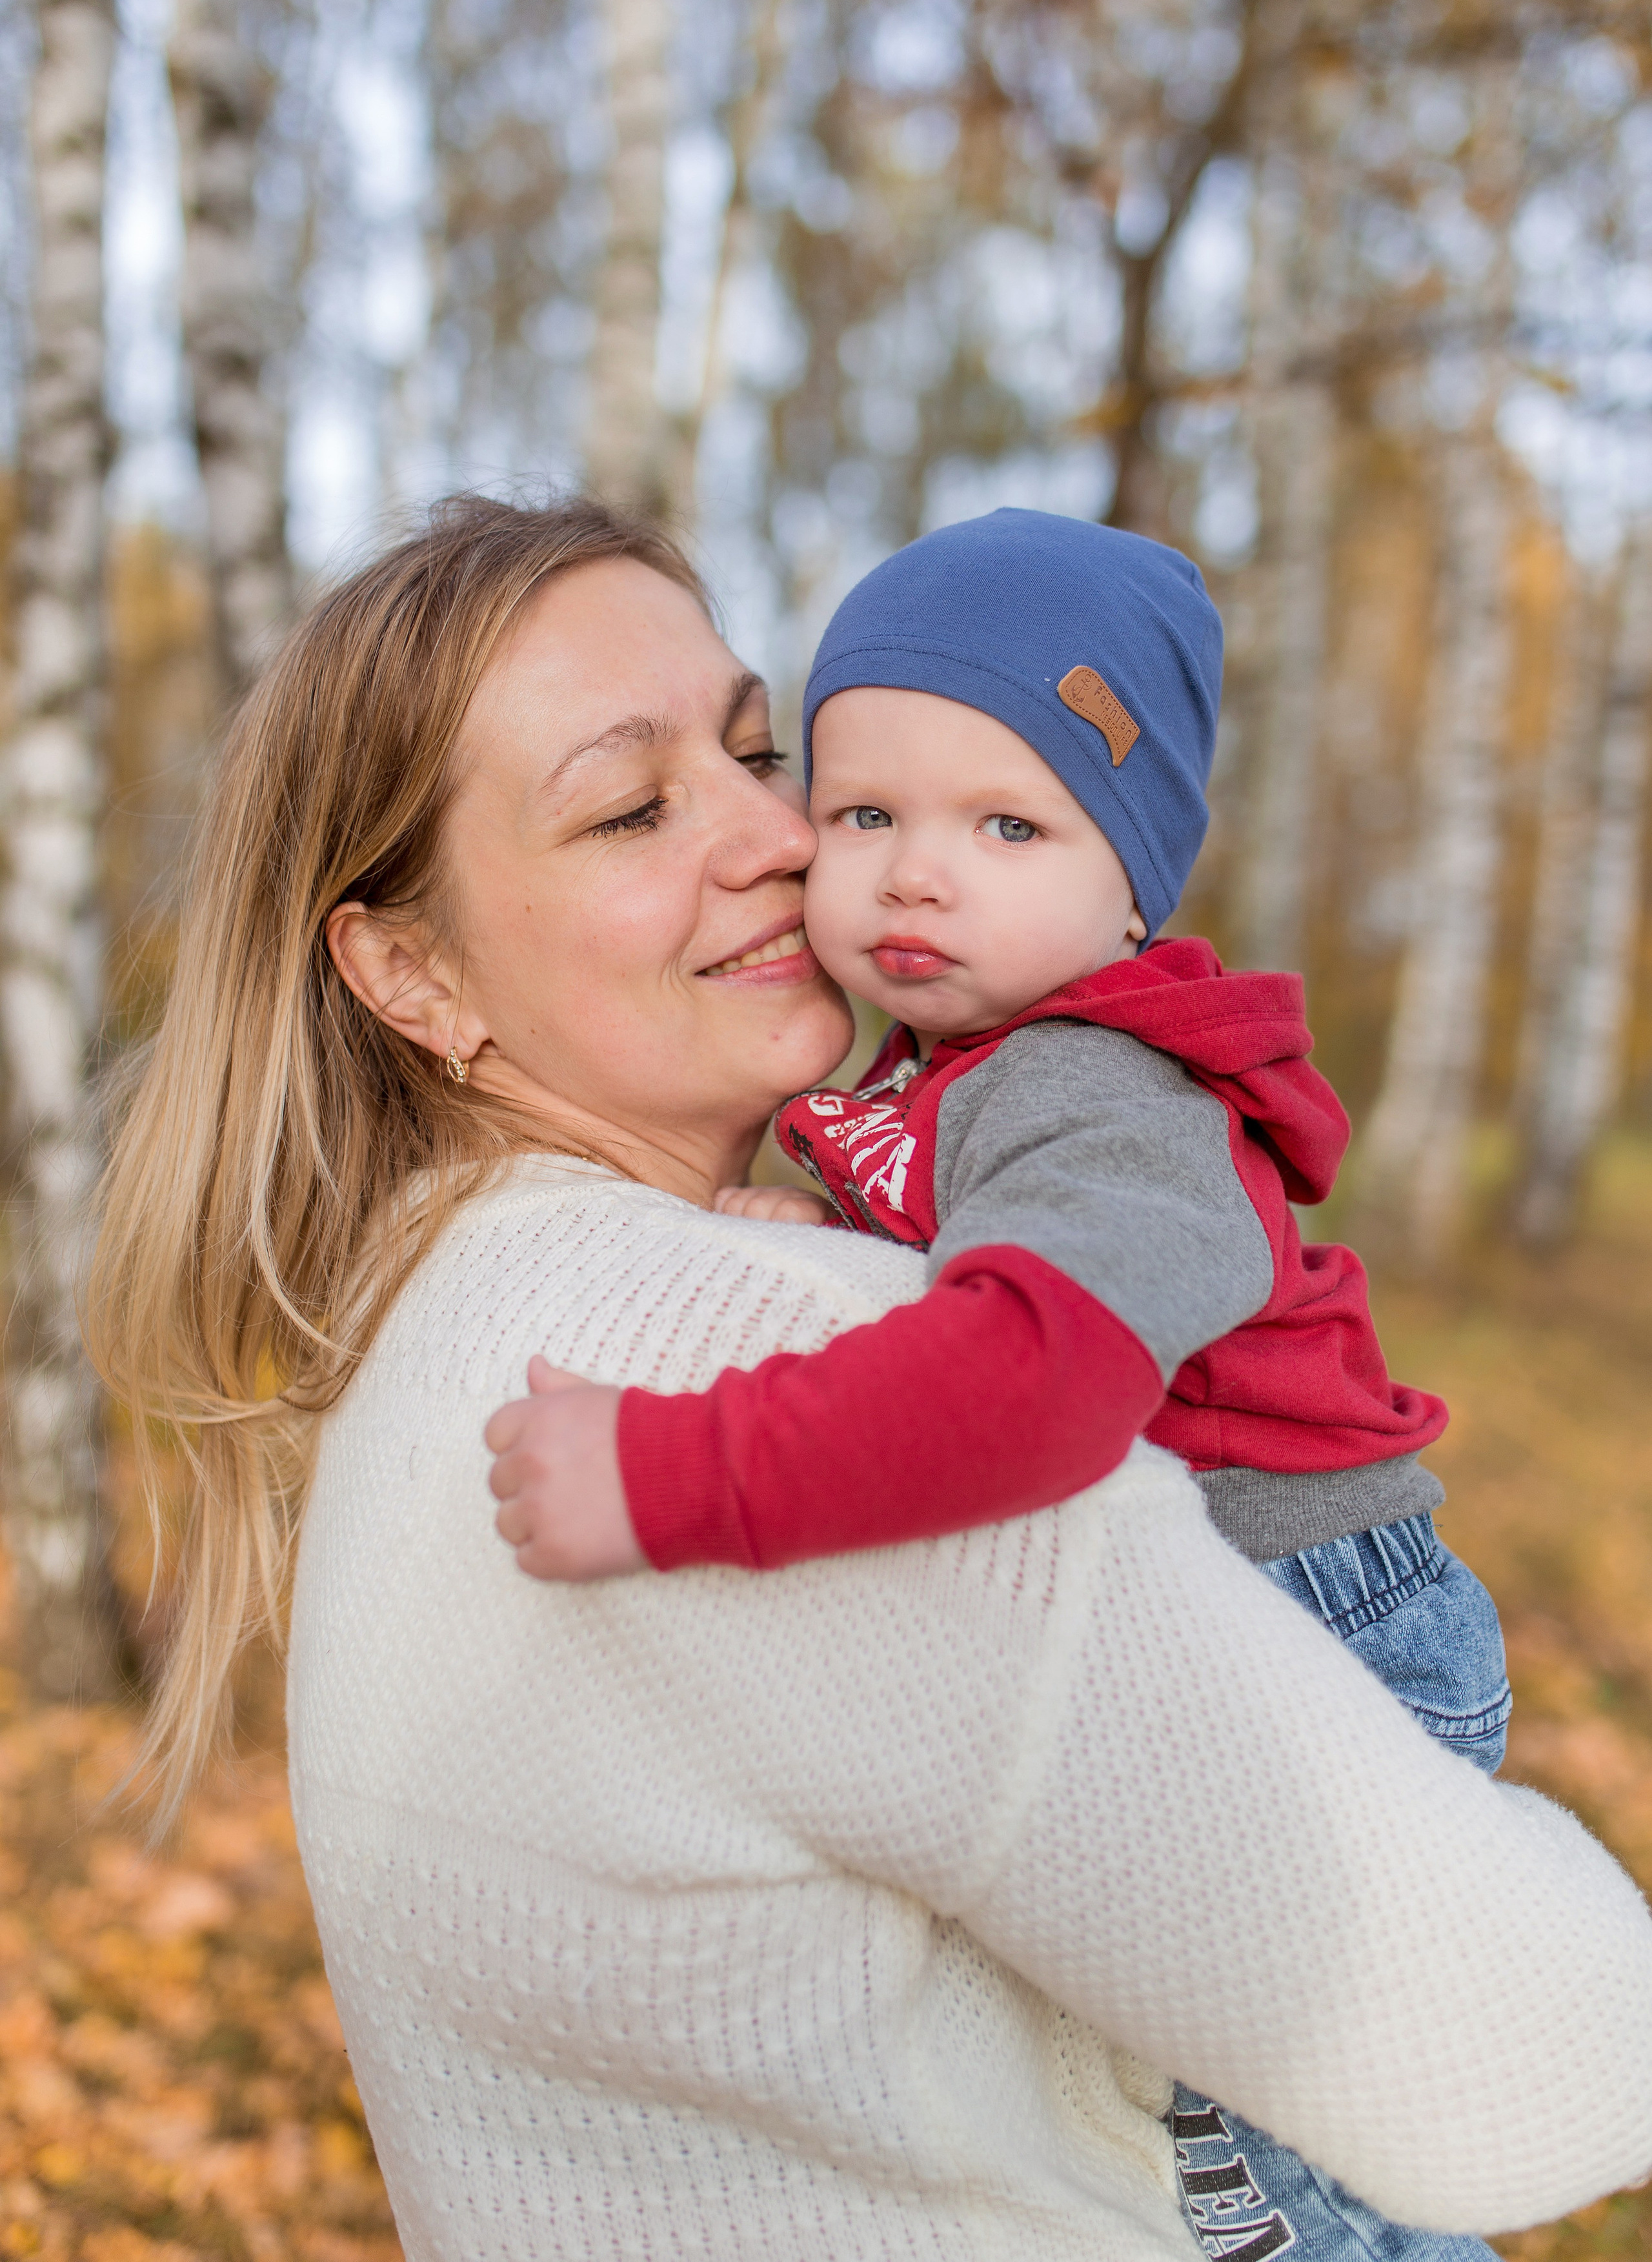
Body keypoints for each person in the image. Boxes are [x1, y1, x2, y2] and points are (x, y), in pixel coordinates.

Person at [86, 494, 1652, 2262]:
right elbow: (1549, 2057)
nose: (777, 832)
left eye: (760, 749)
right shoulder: (766, 1359)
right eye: (632, 804)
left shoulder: (418, 1336)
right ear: (410, 972)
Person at [482, 506, 1515, 2258]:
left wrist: (669, 1476)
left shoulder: (1104, 1093)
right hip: (1223, 1641)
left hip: (1318, 1649)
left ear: (1131, 882)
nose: (913, 874)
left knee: (1254, 2187)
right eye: (866, 811)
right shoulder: (965, 1068)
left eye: (1007, 823)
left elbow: (1033, 1383)